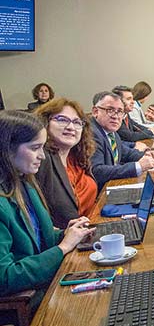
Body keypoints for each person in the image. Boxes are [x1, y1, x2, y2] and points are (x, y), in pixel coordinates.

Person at [0, 110, 95, 299]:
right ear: (6, 149)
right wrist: (63, 248)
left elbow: (38, 241)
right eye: (35, 148)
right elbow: (5, 278)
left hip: (47, 283)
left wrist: (65, 234)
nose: (42, 156)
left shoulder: (24, 184)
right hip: (29, 298)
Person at [34, 98, 98, 229]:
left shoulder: (78, 157)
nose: (71, 127)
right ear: (45, 122)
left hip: (90, 226)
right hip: (64, 240)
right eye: (62, 120)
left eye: (77, 122)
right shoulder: (40, 160)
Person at [90, 91, 154, 190]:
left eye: (120, 111)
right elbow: (97, 171)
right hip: (99, 195)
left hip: (111, 186)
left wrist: (146, 155)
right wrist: (137, 166)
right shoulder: (92, 133)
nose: (116, 116)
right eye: (110, 110)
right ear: (96, 112)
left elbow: (125, 152)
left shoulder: (111, 132)